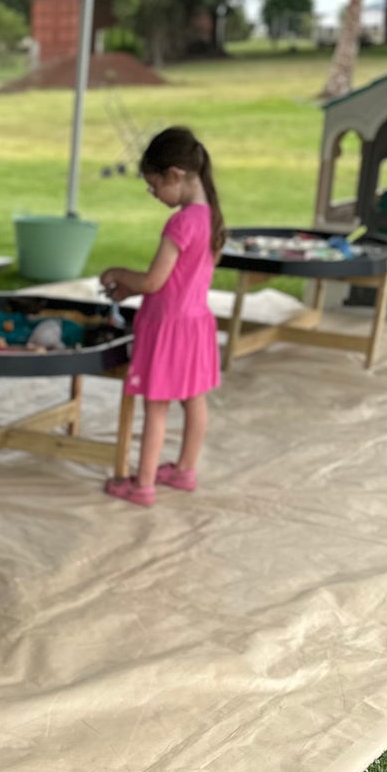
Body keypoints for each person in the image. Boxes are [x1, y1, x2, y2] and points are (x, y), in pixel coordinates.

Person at [97, 127, 224, 507]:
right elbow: (181, 282)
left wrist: (118, 275)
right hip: (197, 324)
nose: (153, 195)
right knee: (194, 401)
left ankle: (143, 486)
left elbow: (154, 281)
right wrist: (130, 288)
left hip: (168, 329)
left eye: (154, 186)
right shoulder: (212, 217)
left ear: (174, 175)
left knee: (156, 407)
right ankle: (185, 471)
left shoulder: (180, 224)